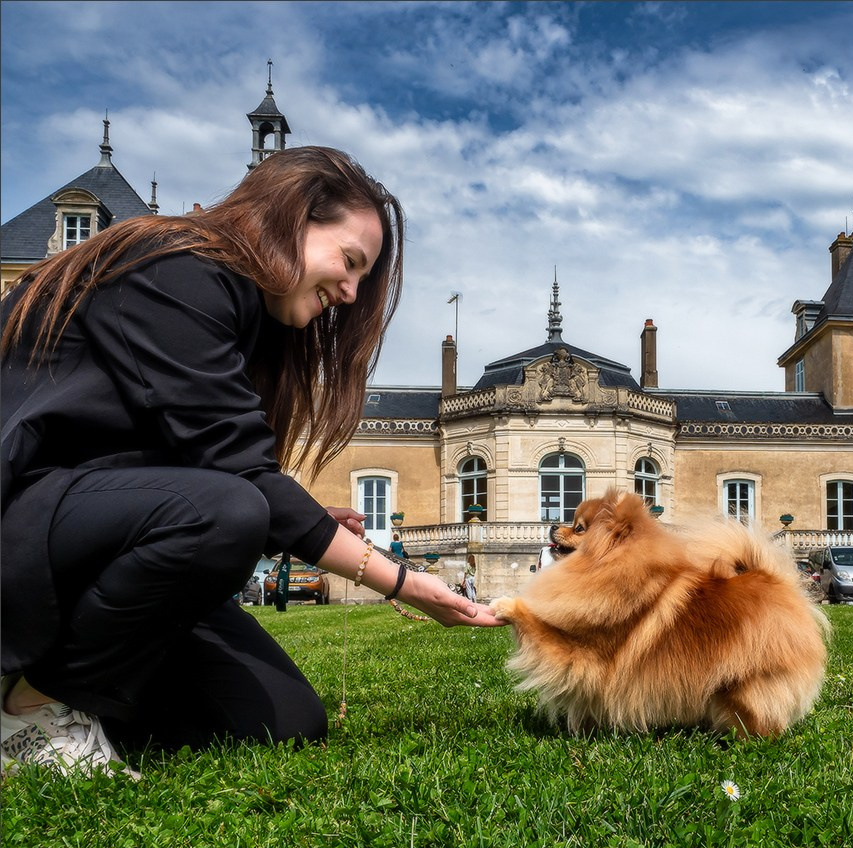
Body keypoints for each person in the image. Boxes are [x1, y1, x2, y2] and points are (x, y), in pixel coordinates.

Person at [0, 145, 505, 778]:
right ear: (293, 218)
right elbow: (239, 480)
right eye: (350, 263)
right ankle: (31, 708)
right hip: (21, 523)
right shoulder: (176, 268)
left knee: (286, 721)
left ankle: (88, 689)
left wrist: (305, 515)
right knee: (227, 513)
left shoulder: (246, 321)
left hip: (91, 537)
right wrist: (405, 580)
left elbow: (204, 460)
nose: (351, 293)